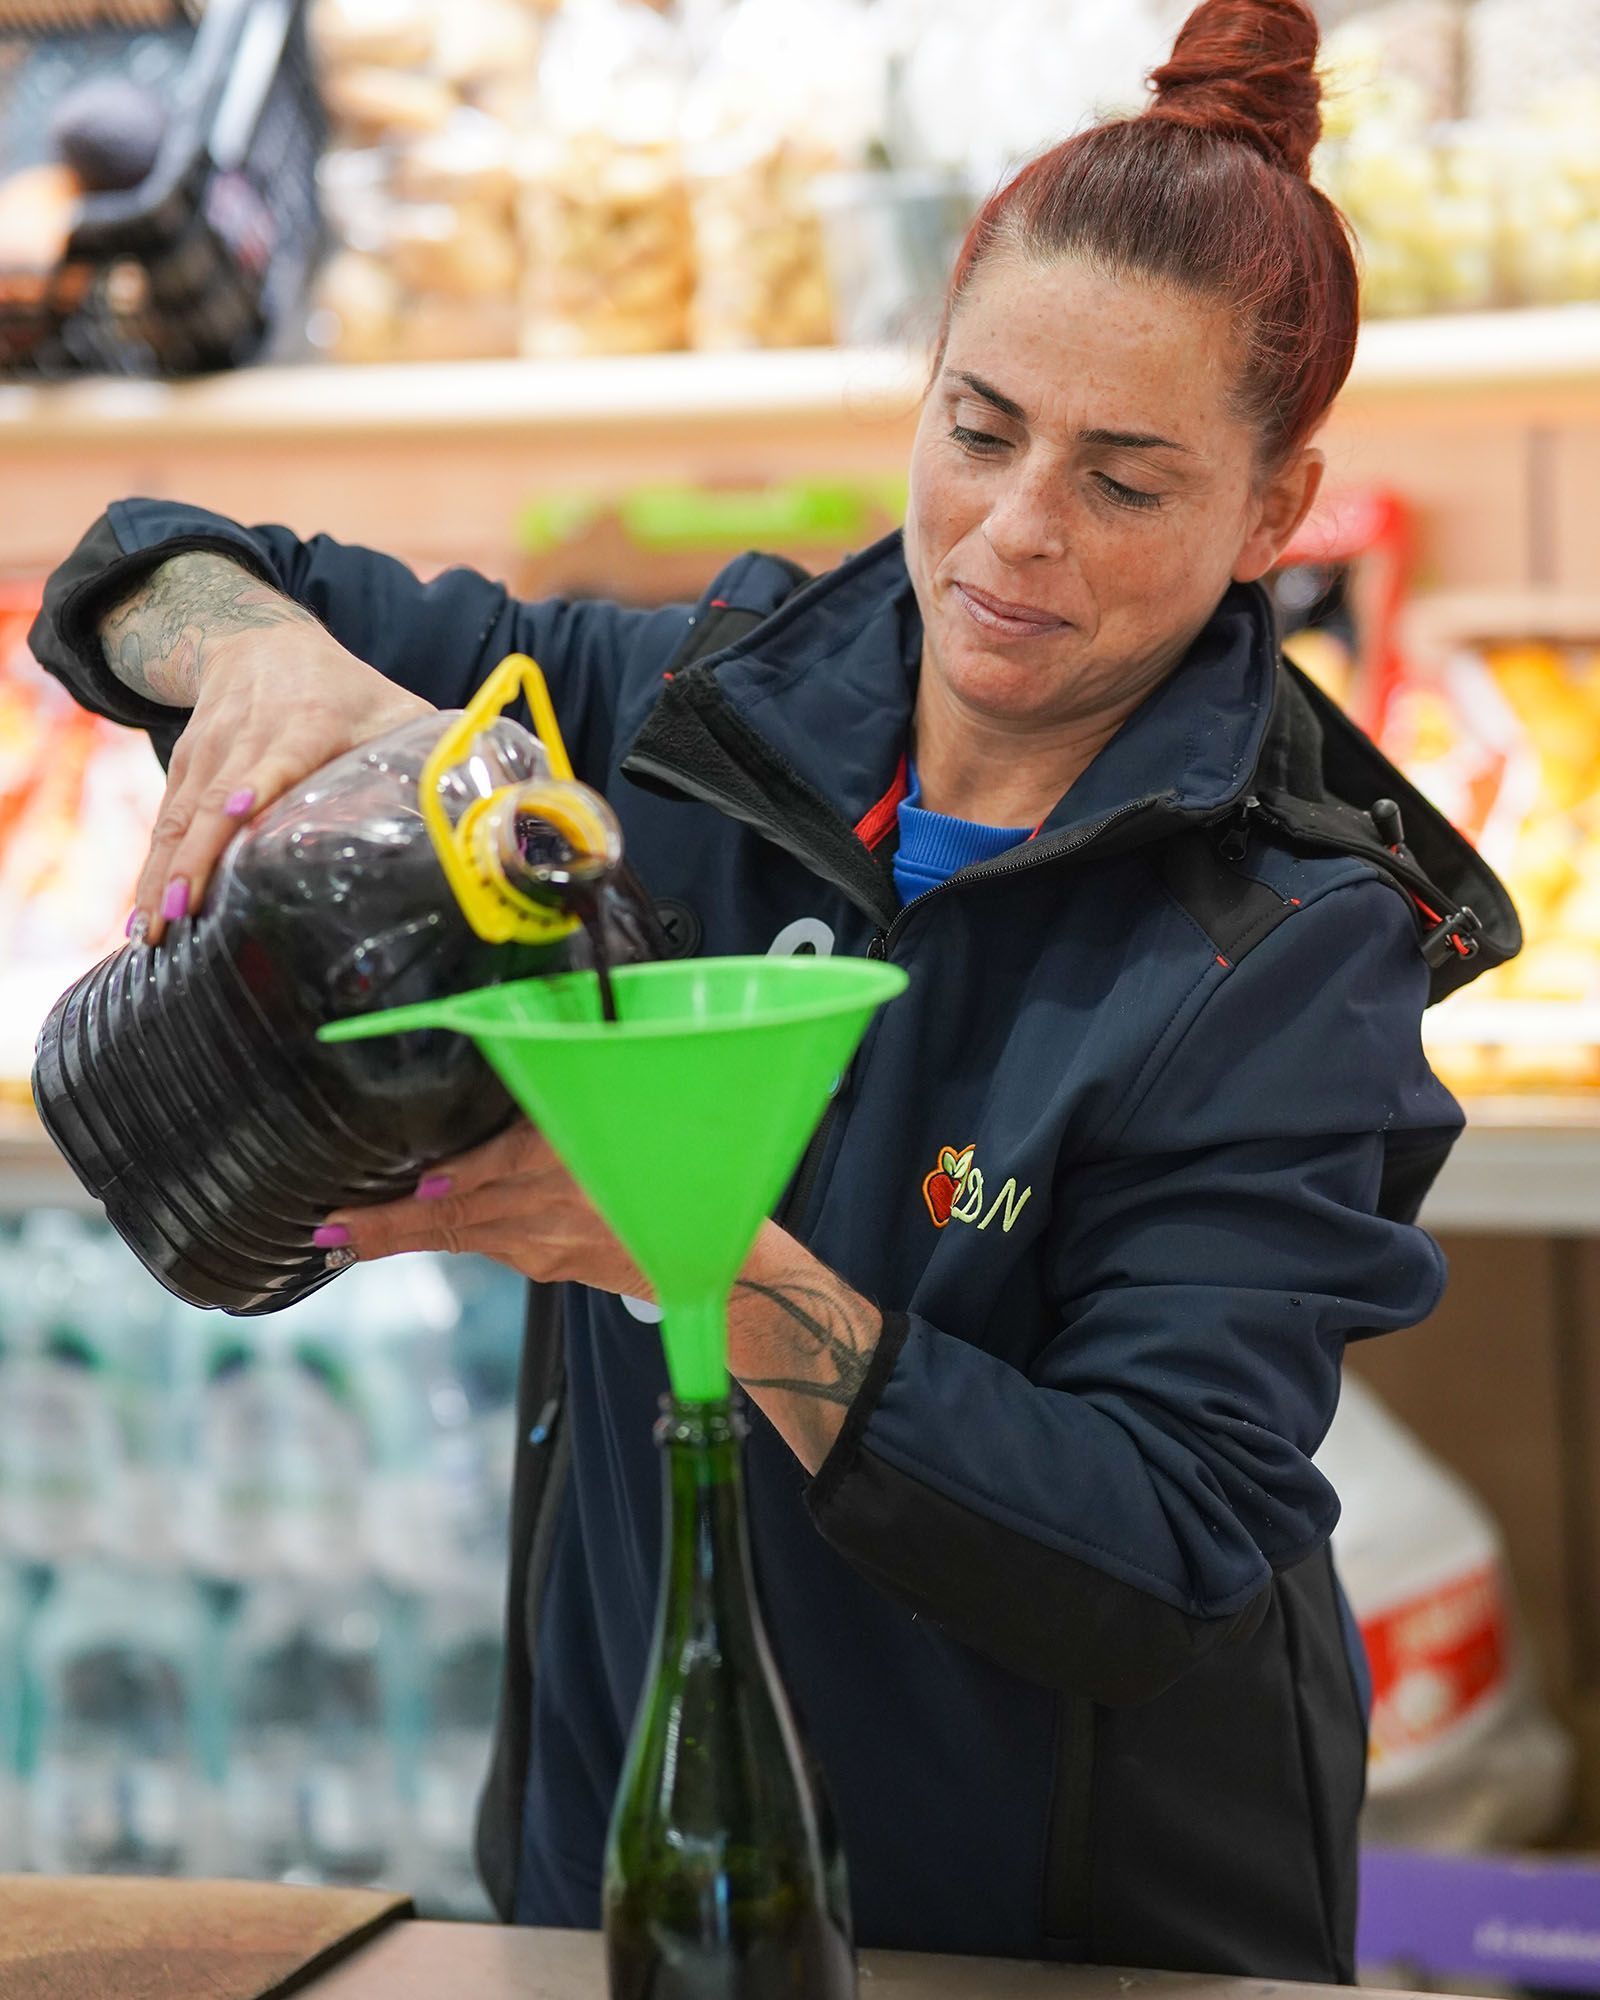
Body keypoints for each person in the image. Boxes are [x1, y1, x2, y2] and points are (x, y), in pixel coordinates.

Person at [30, 0, 1514, 1976]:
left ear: (1268, 511)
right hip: (613, 1851)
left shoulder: (1287, 942)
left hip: (1057, 1925)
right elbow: (144, 563)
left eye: (1126, 481)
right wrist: (250, 650)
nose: (1011, 534)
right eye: (975, 428)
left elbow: (1155, 1552)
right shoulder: (682, 710)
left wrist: (697, 1256)